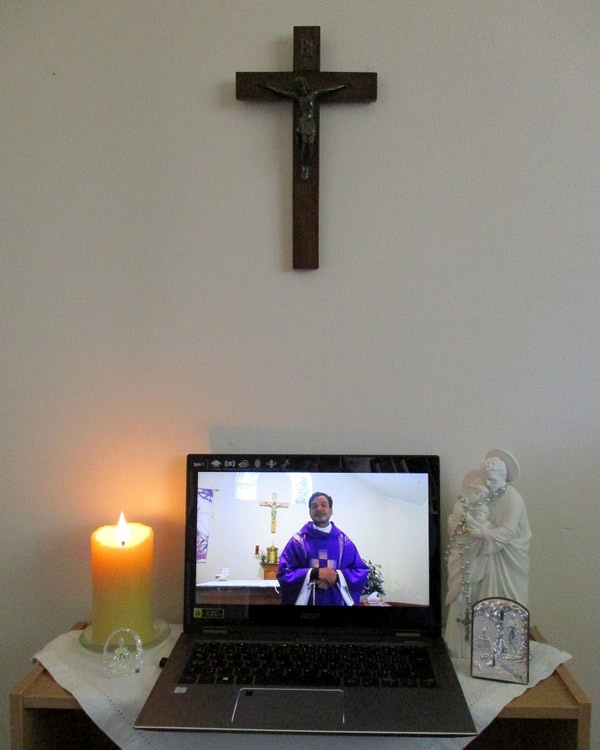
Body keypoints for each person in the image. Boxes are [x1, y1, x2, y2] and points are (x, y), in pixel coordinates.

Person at [277, 491, 369, 605]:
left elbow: (360, 572)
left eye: (324, 505)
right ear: (310, 512)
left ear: (331, 511)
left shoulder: (344, 543)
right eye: (314, 506)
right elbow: (284, 574)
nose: (319, 508)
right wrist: (314, 573)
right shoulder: (297, 542)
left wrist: (336, 577)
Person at [260, 76, 348, 179]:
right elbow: (282, 92)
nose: (301, 88)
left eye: (302, 86)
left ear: (305, 86)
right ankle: (303, 166)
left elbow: (328, 90)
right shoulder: (298, 97)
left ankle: (307, 166)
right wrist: (268, 87)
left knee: (309, 145)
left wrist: (342, 86)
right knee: (303, 146)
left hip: (310, 122)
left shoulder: (313, 94)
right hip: (302, 122)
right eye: (298, 87)